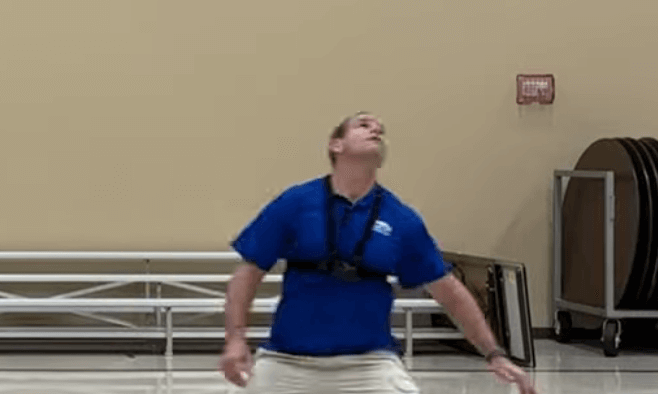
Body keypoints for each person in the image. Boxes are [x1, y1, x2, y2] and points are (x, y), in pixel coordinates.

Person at [220, 112, 537, 394]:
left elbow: (450, 292)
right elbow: (247, 274)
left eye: (380, 130)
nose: (376, 129)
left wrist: (494, 354)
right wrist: (235, 338)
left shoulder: (401, 219)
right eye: (363, 125)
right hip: (288, 362)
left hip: (369, 365)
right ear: (336, 145)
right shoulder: (295, 203)